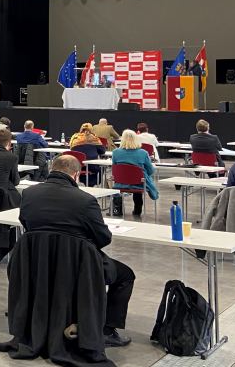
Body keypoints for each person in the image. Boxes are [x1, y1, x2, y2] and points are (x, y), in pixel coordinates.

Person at [18, 155, 135, 347]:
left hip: (38, 263)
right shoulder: (85, 200)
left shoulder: (29, 193)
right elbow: (103, 238)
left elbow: (26, 225)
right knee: (125, 275)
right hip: (79, 266)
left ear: (51, 169)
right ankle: (106, 330)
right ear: (76, 174)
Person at [111, 129, 158, 217]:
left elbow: (114, 169)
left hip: (120, 183)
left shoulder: (115, 153)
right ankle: (137, 210)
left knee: (126, 181)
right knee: (139, 180)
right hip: (138, 183)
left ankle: (117, 209)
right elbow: (150, 170)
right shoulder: (143, 153)